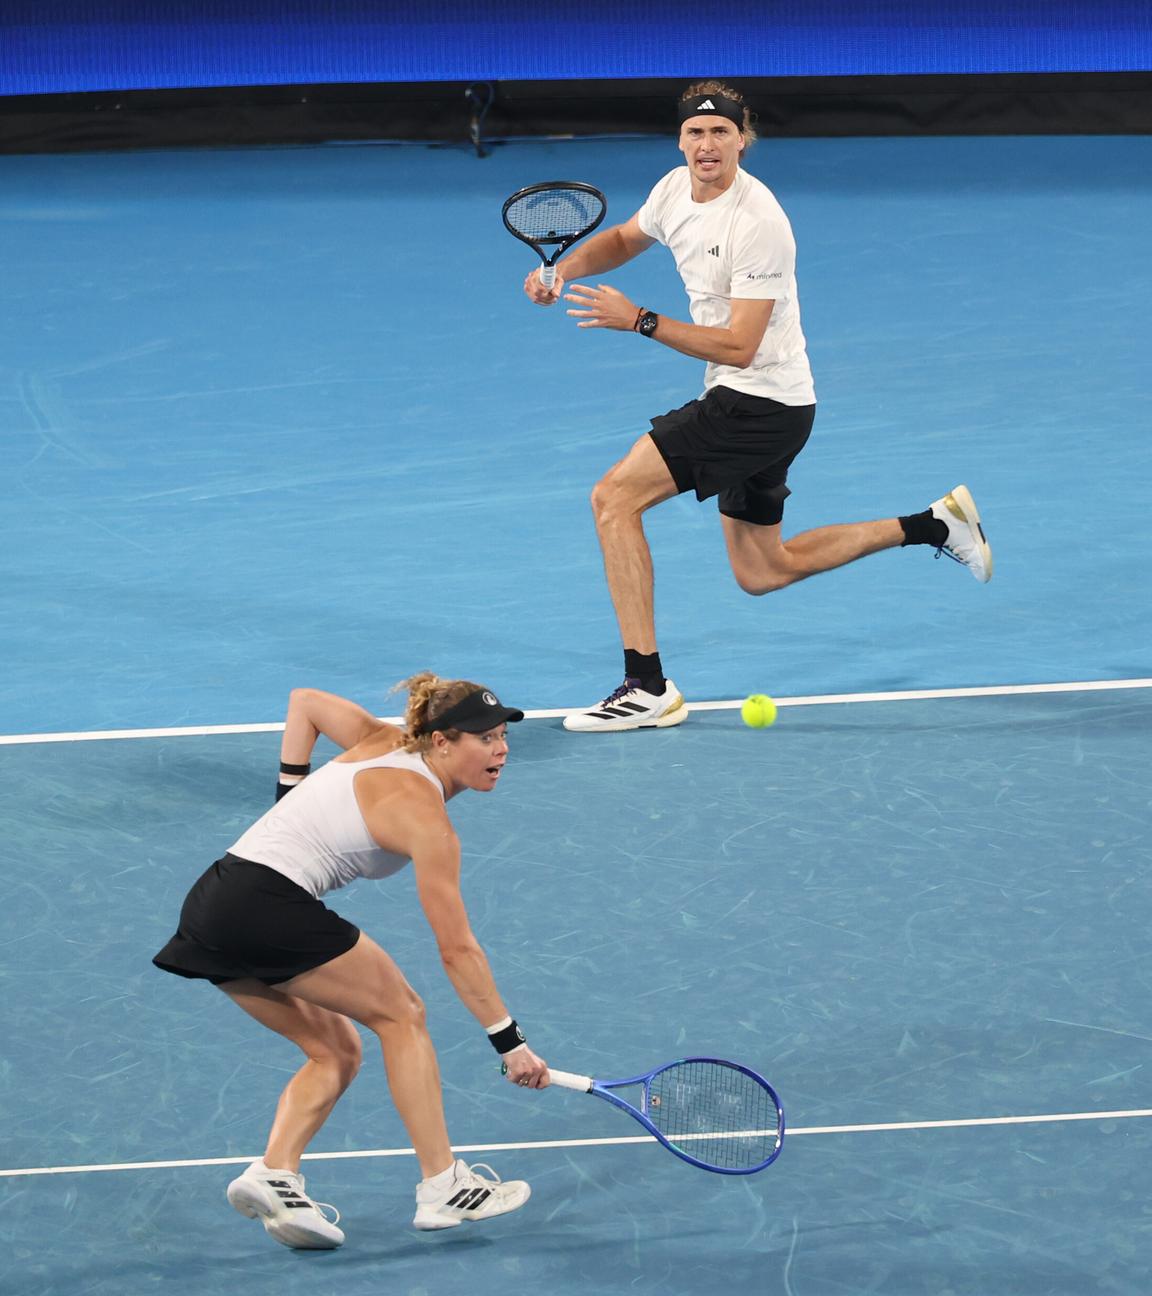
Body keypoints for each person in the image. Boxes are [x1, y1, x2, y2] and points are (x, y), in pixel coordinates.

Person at [523, 81, 993, 734]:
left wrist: (640, 321)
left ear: (744, 139)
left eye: (721, 132)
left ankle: (646, 685)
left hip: (759, 402)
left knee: (613, 498)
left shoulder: (758, 222)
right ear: (680, 140)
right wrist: (565, 271)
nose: (707, 144)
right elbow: (628, 238)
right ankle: (936, 524)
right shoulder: (671, 189)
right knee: (762, 570)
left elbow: (741, 348)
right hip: (770, 403)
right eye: (695, 133)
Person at [153, 674, 549, 1251]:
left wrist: (289, 795)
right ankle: (443, 1185)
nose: (501, 749)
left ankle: (274, 1174)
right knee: (402, 1015)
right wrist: (509, 1044)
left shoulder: (380, 739)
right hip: (269, 904)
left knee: (335, 1050)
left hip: (215, 901)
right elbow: (457, 948)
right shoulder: (428, 820)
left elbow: (305, 704)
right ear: (441, 742)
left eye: (502, 736)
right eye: (484, 738)